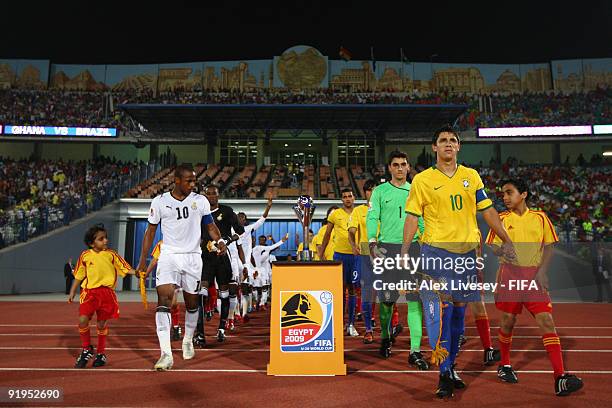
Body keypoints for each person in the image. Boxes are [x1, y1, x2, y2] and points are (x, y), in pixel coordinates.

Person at [402, 126, 516, 398]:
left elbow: (487, 210)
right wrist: (406, 248)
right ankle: (443, 373)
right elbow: (412, 216)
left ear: (458, 147)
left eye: (453, 140)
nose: (448, 144)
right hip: (436, 253)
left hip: (466, 255)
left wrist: (505, 238)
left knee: (457, 313)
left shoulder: (471, 176)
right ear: (435, 147)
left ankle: (450, 365)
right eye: (443, 140)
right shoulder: (422, 180)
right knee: (439, 311)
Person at [487, 179, 584, 396]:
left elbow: (550, 246)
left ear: (524, 194)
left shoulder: (540, 218)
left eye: (509, 193)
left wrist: (542, 271)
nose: (504, 197)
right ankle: (505, 364)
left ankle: (560, 377)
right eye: (503, 194)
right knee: (508, 321)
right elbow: (493, 247)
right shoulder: (501, 219)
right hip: (510, 274)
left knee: (546, 321)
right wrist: (502, 251)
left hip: (533, 276)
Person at [137, 164, 225, 371]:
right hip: (169, 256)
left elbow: (210, 226)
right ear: (176, 180)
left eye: (194, 181)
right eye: (189, 181)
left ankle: (187, 339)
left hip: (193, 257)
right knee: (164, 300)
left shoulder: (200, 201)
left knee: (192, 303)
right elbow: (150, 232)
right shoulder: (159, 202)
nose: (193, 185)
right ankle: (165, 354)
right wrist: (142, 260)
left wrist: (220, 241)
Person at [366, 151, 428, 371]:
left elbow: (421, 220)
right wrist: (372, 242)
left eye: (403, 164)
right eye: (396, 165)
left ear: (408, 167)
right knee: (388, 300)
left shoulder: (416, 191)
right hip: (387, 250)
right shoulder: (380, 192)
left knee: (414, 299)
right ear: (389, 168)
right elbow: (372, 217)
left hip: (413, 249)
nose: (400, 168)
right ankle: (385, 336)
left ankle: (415, 351)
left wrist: (425, 243)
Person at [68, 223, 136, 368]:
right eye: (101, 239)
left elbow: (124, 267)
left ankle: (100, 353)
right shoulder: (85, 256)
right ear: (92, 243)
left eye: (106, 238)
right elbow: (79, 275)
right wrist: (73, 290)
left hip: (107, 294)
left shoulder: (111, 255)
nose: (105, 241)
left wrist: (137, 272)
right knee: (82, 320)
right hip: (89, 293)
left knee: (101, 324)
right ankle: (87, 348)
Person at [197, 184, 245, 344]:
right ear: (204, 196)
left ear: (218, 196)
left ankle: (222, 328)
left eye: (214, 194)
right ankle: (200, 333)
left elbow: (240, 231)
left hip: (223, 256)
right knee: (201, 294)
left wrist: (227, 240)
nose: (211, 196)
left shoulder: (227, 211)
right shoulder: (198, 212)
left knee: (224, 293)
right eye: (208, 193)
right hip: (203, 257)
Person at [320, 188, 360, 337]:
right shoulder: (335, 214)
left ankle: (351, 324)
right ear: (341, 199)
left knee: (353, 290)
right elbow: (327, 234)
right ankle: (339, 322)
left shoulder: (360, 213)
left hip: (356, 256)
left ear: (354, 198)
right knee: (340, 291)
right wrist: (321, 252)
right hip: (339, 256)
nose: (348, 199)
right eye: (345, 197)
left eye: (350, 196)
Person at [348, 179, 378, 344]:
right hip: (365, 253)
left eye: (375, 190)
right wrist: (353, 245)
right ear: (365, 193)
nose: (372, 193)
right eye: (369, 190)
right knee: (366, 292)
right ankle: (368, 329)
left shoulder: (386, 210)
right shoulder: (359, 211)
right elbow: (351, 231)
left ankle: (391, 327)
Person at [146, 240, 184, 341]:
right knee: (164, 304)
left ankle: (175, 327)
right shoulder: (161, 244)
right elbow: (154, 260)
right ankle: (166, 330)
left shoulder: (181, 241)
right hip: (163, 275)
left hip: (175, 275)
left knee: (173, 303)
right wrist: (146, 273)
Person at [252, 234, 289, 310]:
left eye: (263, 240)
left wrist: (278, 240)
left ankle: (263, 303)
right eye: (260, 240)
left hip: (265, 270)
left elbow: (275, 247)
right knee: (256, 287)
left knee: (265, 286)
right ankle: (256, 302)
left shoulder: (268, 248)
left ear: (265, 240)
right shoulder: (255, 248)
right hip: (256, 269)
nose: (261, 241)